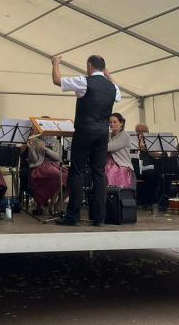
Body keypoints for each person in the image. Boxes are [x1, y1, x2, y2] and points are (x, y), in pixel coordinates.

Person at [52, 54, 118, 227]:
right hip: (103, 133)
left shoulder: (84, 81)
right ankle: (99, 218)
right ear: (104, 69)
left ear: (89, 66)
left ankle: (72, 216)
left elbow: (57, 80)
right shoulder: (113, 88)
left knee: (77, 172)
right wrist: (108, 75)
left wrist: (55, 63)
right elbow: (117, 92)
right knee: (99, 173)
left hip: (85, 131)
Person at [21, 135, 67, 215]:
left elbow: (58, 158)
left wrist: (46, 149)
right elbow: (35, 160)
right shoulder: (34, 141)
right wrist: (31, 148)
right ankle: (45, 205)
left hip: (55, 165)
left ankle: (56, 204)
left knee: (69, 176)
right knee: (56, 175)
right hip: (39, 167)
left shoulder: (55, 141)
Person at [106, 113, 134, 188]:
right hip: (108, 164)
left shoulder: (125, 136)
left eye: (115, 122)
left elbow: (109, 147)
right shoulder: (108, 135)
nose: (112, 124)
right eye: (110, 122)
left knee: (111, 171)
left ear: (121, 123)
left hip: (122, 165)